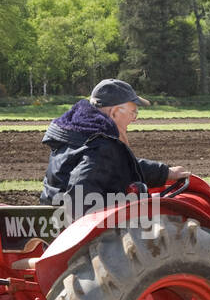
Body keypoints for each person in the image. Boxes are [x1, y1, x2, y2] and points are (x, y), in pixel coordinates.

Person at [39, 78, 189, 219]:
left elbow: (118, 165)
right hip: (81, 233)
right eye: (133, 112)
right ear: (115, 112)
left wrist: (165, 172)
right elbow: (79, 201)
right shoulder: (101, 147)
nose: (134, 119)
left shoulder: (77, 135)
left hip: (53, 219)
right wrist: (132, 201)